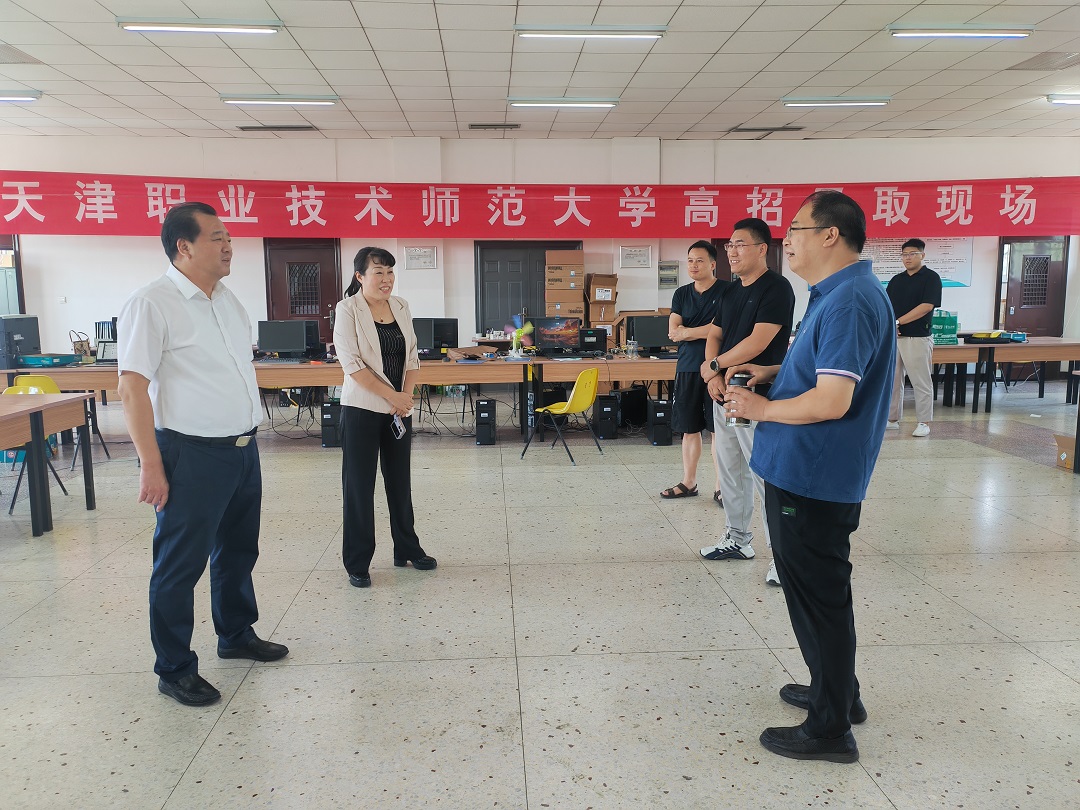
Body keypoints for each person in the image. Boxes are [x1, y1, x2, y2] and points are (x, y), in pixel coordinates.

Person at [723, 191, 895, 763]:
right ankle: (838, 693)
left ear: (829, 235)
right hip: (809, 468)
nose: (786, 240)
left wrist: (762, 408)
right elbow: (825, 373)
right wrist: (775, 372)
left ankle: (829, 729)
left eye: (794, 228)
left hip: (812, 475)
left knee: (819, 599)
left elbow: (832, 400)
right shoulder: (839, 294)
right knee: (819, 594)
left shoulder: (849, 300)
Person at [117, 202, 288, 708]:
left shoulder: (228, 301)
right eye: (217, 237)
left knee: (238, 550)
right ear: (184, 246)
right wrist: (151, 464)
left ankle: (235, 634)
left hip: (242, 448)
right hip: (190, 454)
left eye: (228, 236)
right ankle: (174, 668)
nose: (228, 245)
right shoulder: (152, 303)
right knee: (180, 564)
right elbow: (131, 389)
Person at [698, 219, 795, 588]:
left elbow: (759, 340)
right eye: (729, 245)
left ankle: (784, 558)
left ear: (762, 249)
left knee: (765, 475)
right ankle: (738, 539)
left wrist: (715, 366)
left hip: (757, 395)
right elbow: (715, 334)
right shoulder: (730, 291)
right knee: (730, 470)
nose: (732, 251)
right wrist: (713, 374)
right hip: (725, 393)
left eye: (740, 244)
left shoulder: (777, 288)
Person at [334, 246, 435, 589]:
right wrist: (393, 396)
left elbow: (412, 356)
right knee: (359, 488)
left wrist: (405, 397)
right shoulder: (348, 309)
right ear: (360, 276)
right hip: (362, 409)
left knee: (400, 482)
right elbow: (352, 364)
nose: (386, 279)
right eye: (378, 272)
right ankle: (358, 562)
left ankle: (407, 548)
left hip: (398, 410)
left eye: (390, 272)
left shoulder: (401, 306)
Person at [661, 240, 729, 503]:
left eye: (699, 260)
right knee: (689, 429)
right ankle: (688, 482)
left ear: (712, 264)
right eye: (690, 260)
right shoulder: (681, 294)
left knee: (717, 430)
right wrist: (701, 331)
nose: (693, 265)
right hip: (688, 367)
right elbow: (673, 331)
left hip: (717, 369)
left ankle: (721, 487)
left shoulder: (728, 291)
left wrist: (688, 332)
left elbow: (721, 328)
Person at [886, 239, 942, 437]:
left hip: (918, 337)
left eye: (912, 254)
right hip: (895, 337)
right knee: (893, 380)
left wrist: (898, 322)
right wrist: (891, 324)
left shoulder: (931, 278)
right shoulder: (896, 280)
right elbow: (887, 306)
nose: (907, 258)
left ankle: (924, 422)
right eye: (904, 255)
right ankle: (892, 419)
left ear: (922, 255)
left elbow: (926, 306)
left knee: (920, 381)